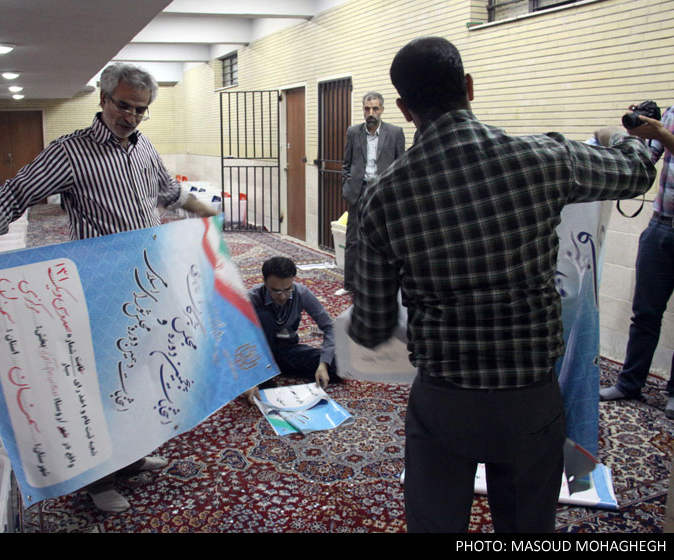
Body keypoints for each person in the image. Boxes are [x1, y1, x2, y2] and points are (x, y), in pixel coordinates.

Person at [349, 36, 657, 533]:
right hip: (529, 399)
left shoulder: (381, 197)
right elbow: (637, 173)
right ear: (469, 87)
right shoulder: (543, 158)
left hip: (443, 400)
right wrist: (622, 138)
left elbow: (372, 324)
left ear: (404, 109)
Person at [0, 63, 217, 513]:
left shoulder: (143, 147)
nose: (131, 116)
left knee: (141, 375)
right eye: (124, 106)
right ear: (103, 98)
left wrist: (206, 213)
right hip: (101, 290)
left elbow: (170, 193)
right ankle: (98, 480)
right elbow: (15, 192)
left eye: (141, 109)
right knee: (105, 383)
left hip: (148, 285)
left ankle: (131, 458)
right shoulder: (71, 152)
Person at [600, 103, 674, 418]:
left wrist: (662, 134)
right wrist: (638, 138)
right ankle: (629, 383)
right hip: (661, 225)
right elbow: (648, 160)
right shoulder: (671, 114)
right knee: (645, 312)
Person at [243, 256, 339, 403]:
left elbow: (329, 326)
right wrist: (248, 377)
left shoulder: (301, 293)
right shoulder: (251, 298)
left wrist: (323, 364)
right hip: (259, 355)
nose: (282, 296)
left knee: (337, 367)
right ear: (265, 282)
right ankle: (264, 376)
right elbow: (232, 338)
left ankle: (275, 368)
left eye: (287, 290)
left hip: (286, 350)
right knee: (265, 317)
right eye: (276, 291)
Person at [337, 92, 405, 297]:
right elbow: (346, 163)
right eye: (367, 109)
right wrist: (347, 186)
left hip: (383, 193)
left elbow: (401, 165)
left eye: (375, 108)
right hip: (359, 191)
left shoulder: (395, 133)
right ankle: (349, 284)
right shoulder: (353, 132)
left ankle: (387, 284)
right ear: (363, 110)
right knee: (353, 239)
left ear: (381, 109)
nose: (371, 113)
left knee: (387, 239)